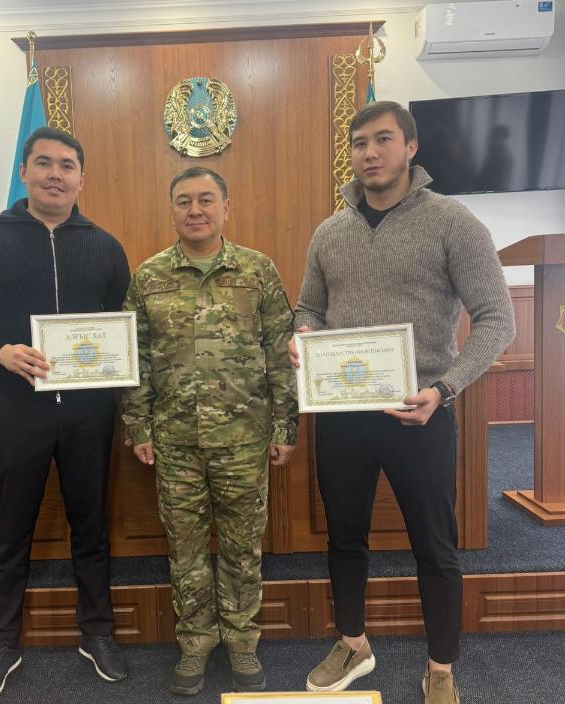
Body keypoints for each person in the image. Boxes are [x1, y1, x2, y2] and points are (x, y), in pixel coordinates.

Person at [291, 101, 515, 704]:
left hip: (422, 412)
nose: (369, 152)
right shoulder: (330, 232)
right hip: (342, 414)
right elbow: (308, 308)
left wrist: (445, 388)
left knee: (434, 546)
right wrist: (303, 333)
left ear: (411, 147)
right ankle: (353, 644)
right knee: (344, 537)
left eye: (383, 139)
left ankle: (441, 668)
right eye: (359, 142)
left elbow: (498, 319)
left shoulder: (452, 222)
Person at [0, 126, 131, 704]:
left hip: (89, 412)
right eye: (44, 163)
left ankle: (97, 633)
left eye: (67, 165)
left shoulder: (105, 246)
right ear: (24, 171)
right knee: (10, 529)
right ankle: (1, 644)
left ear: (81, 178)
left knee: (91, 525)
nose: (55, 174)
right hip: (15, 408)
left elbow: (121, 326)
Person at [121, 166, 299, 696]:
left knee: (243, 548)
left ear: (226, 207)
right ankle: (196, 642)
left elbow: (280, 353)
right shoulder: (149, 277)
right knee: (186, 550)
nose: (194, 210)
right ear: (172, 210)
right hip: (174, 442)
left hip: (244, 440)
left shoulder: (257, 271)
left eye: (205, 199)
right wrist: (138, 425)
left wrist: (286, 425)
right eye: (183, 201)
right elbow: (135, 359)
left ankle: (242, 640)